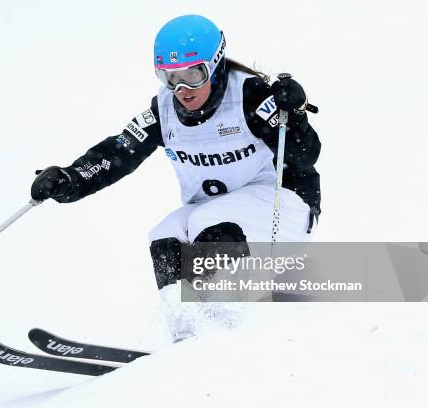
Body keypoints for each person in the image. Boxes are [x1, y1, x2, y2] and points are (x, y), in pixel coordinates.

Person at [31, 15, 321, 340]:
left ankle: (235, 326)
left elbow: (306, 156)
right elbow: (118, 153)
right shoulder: (164, 109)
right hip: (222, 216)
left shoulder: (250, 96)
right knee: (165, 238)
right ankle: (187, 333)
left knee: (208, 224)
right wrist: (71, 179)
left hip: (285, 207)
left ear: (214, 65)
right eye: (170, 77)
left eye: (193, 75)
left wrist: (293, 115)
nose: (182, 89)